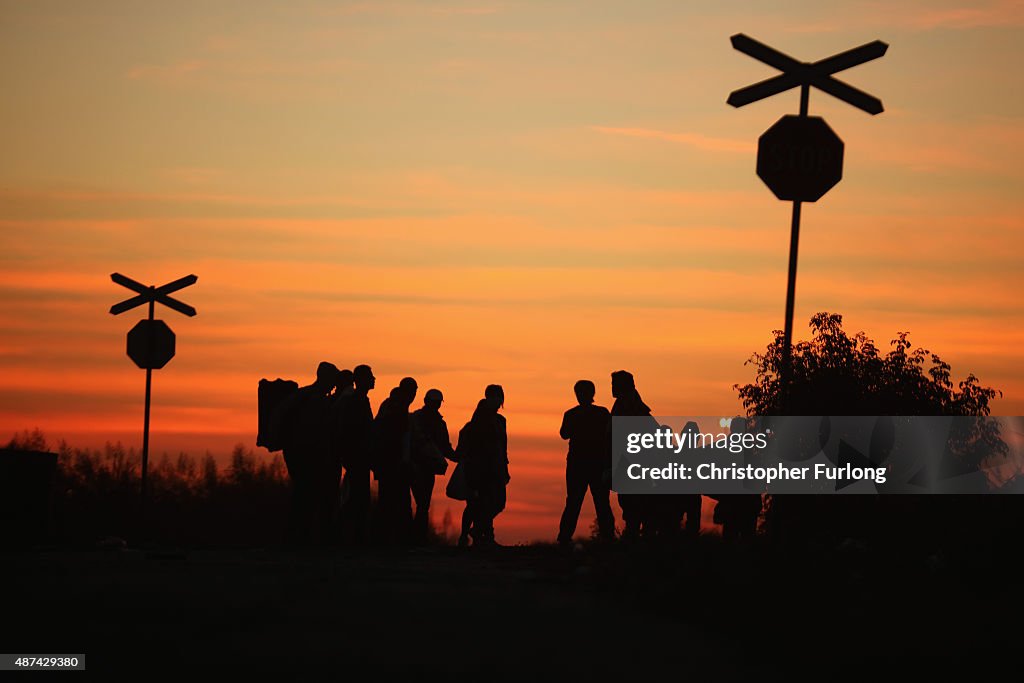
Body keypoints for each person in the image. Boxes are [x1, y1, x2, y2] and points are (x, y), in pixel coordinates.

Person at [281, 361, 338, 546]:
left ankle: (299, 537)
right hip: (307, 456)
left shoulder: (304, 395)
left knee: (303, 496)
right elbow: (317, 432)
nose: (334, 384)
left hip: (298, 454)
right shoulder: (316, 400)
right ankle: (300, 538)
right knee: (306, 496)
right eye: (332, 379)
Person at [557, 380, 614, 546]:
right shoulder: (602, 413)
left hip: (579, 465)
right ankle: (607, 537)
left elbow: (564, 434)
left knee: (575, 502)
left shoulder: (572, 414)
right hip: (594, 464)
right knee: (601, 502)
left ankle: (565, 538)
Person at [457, 385, 509, 548]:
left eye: (499, 396)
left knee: (497, 502)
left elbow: (503, 447)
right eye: (494, 396)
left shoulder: (501, 421)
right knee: (476, 503)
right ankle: (475, 536)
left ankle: (479, 531)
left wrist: (504, 467)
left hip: (496, 467)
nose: (498, 400)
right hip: (480, 468)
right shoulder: (479, 418)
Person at [610, 370, 659, 541]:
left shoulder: (627, 407)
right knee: (637, 508)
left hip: (634, 465)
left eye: (614, 384)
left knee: (635, 509)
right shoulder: (631, 406)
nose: (612, 388)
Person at [372, 378, 417, 544]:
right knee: (396, 500)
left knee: (392, 500)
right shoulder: (395, 408)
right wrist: (403, 459)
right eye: (412, 391)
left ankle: (389, 538)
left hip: (389, 461)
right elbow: (396, 437)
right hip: (391, 462)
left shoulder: (392, 405)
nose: (413, 395)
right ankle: (393, 538)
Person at [410, 389, 456, 543]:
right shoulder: (416, 419)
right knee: (421, 504)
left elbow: (445, 447)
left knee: (422, 504)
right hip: (414, 465)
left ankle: (417, 537)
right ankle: (416, 537)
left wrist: (458, 457)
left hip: (423, 467)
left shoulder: (418, 419)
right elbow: (445, 448)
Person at [337, 364, 375, 544]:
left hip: (361, 457)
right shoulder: (355, 402)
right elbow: (351, 431)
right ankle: (352, 538)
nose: (374, 379)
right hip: (356, 457)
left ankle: (356, 537)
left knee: (359, 498)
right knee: (355, 498)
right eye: (370, 376)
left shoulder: (360, 400)